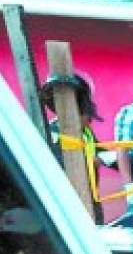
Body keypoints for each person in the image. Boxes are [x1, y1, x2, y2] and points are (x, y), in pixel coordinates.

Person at [40, 74, 105, 223]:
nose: (88, 123)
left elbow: (103, 154)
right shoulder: (51, 135)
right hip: (66, 210)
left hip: (91, 207)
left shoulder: (86, 134)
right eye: (86, 116)